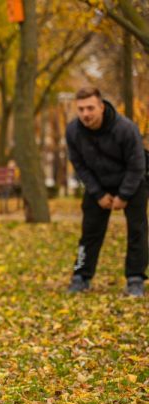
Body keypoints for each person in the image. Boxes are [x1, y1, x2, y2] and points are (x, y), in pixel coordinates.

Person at [65, 87, 147, 297]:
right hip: (98, 185)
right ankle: (81, 276)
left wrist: (124, 195)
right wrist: (98, 193)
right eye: (81, 109)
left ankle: (135, 278)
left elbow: (137, 165)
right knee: (89, 232)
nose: (86, 114)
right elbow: (79, 165)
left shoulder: (126, 128)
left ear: (101, 107)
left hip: (132, 181)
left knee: (137, 231)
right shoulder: (73, 131)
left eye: (90, 108)